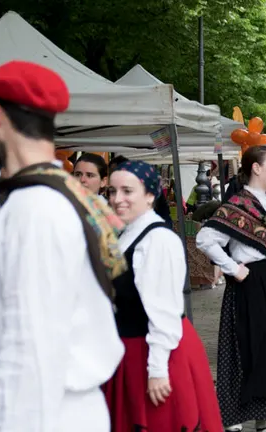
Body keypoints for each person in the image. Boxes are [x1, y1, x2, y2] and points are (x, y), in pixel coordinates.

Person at [0, 61, 125, 431]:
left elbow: (31, 347)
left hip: (43, 410)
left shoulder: (35, 209)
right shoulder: (52, 198)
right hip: (49, 405)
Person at [103, 161, 222, 431]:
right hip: (134, 347)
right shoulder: (129, 233)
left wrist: (157, 369)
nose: (117, 198)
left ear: (149, 195)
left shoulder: (157, 240)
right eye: (112, 191)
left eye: (127, 191)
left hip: (158, 350)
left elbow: (163, 310)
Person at [196, 145, 266, 432]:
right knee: (246, 348)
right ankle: (234, 419)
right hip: (250, 282)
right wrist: (233, 268)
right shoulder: (236, 204)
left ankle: (264, 419)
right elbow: (205, 238)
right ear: (256, 168)